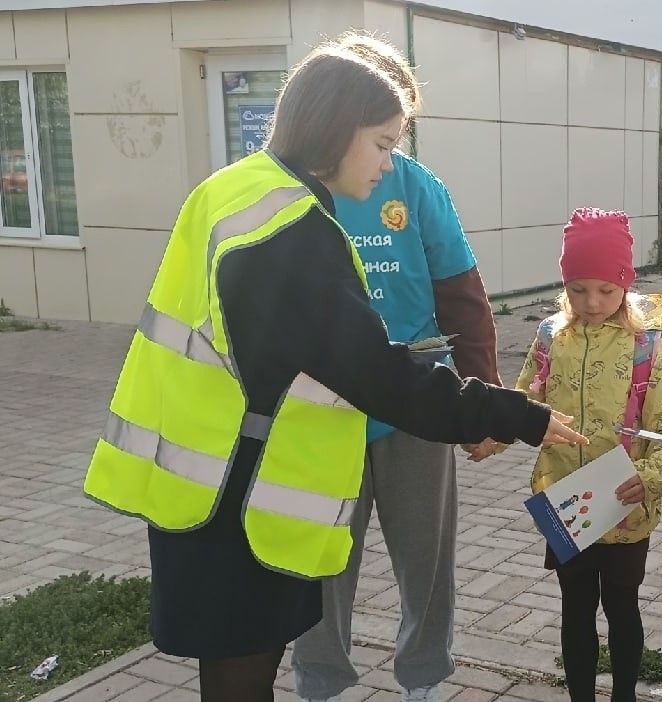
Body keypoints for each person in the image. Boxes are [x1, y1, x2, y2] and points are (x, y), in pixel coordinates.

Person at [80, 34, 586, 702]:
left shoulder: (234, 190)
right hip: (237, 499)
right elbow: (380, 377)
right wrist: (515, 413)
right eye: (380, 142)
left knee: (232, 675)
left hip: (201, 487)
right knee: (240, 679)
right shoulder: (291, 231)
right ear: (335, 127)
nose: (386, 163)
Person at [290, 35, 501, 702]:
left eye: (395, 136)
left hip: (415, 405)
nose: (387, 152)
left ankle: (424, 678)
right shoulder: (286, 190)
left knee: (426, 558)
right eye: (382, 135)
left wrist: (482, 402)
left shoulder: (416, 188)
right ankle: (320, 679)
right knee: (321, 557)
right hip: (318, 412)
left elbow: (463, 298)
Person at [508, 207, 662, 702]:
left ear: (626, 283)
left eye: (606, 290)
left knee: (623, 607)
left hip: (627, 505)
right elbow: (525, 399)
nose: (591, 302)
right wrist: (492, 431)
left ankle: (624, 695)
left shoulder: (646, 347)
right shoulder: (551, 338)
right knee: (575, 608)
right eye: (577, 289)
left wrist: (652, 476)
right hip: (565, 501)